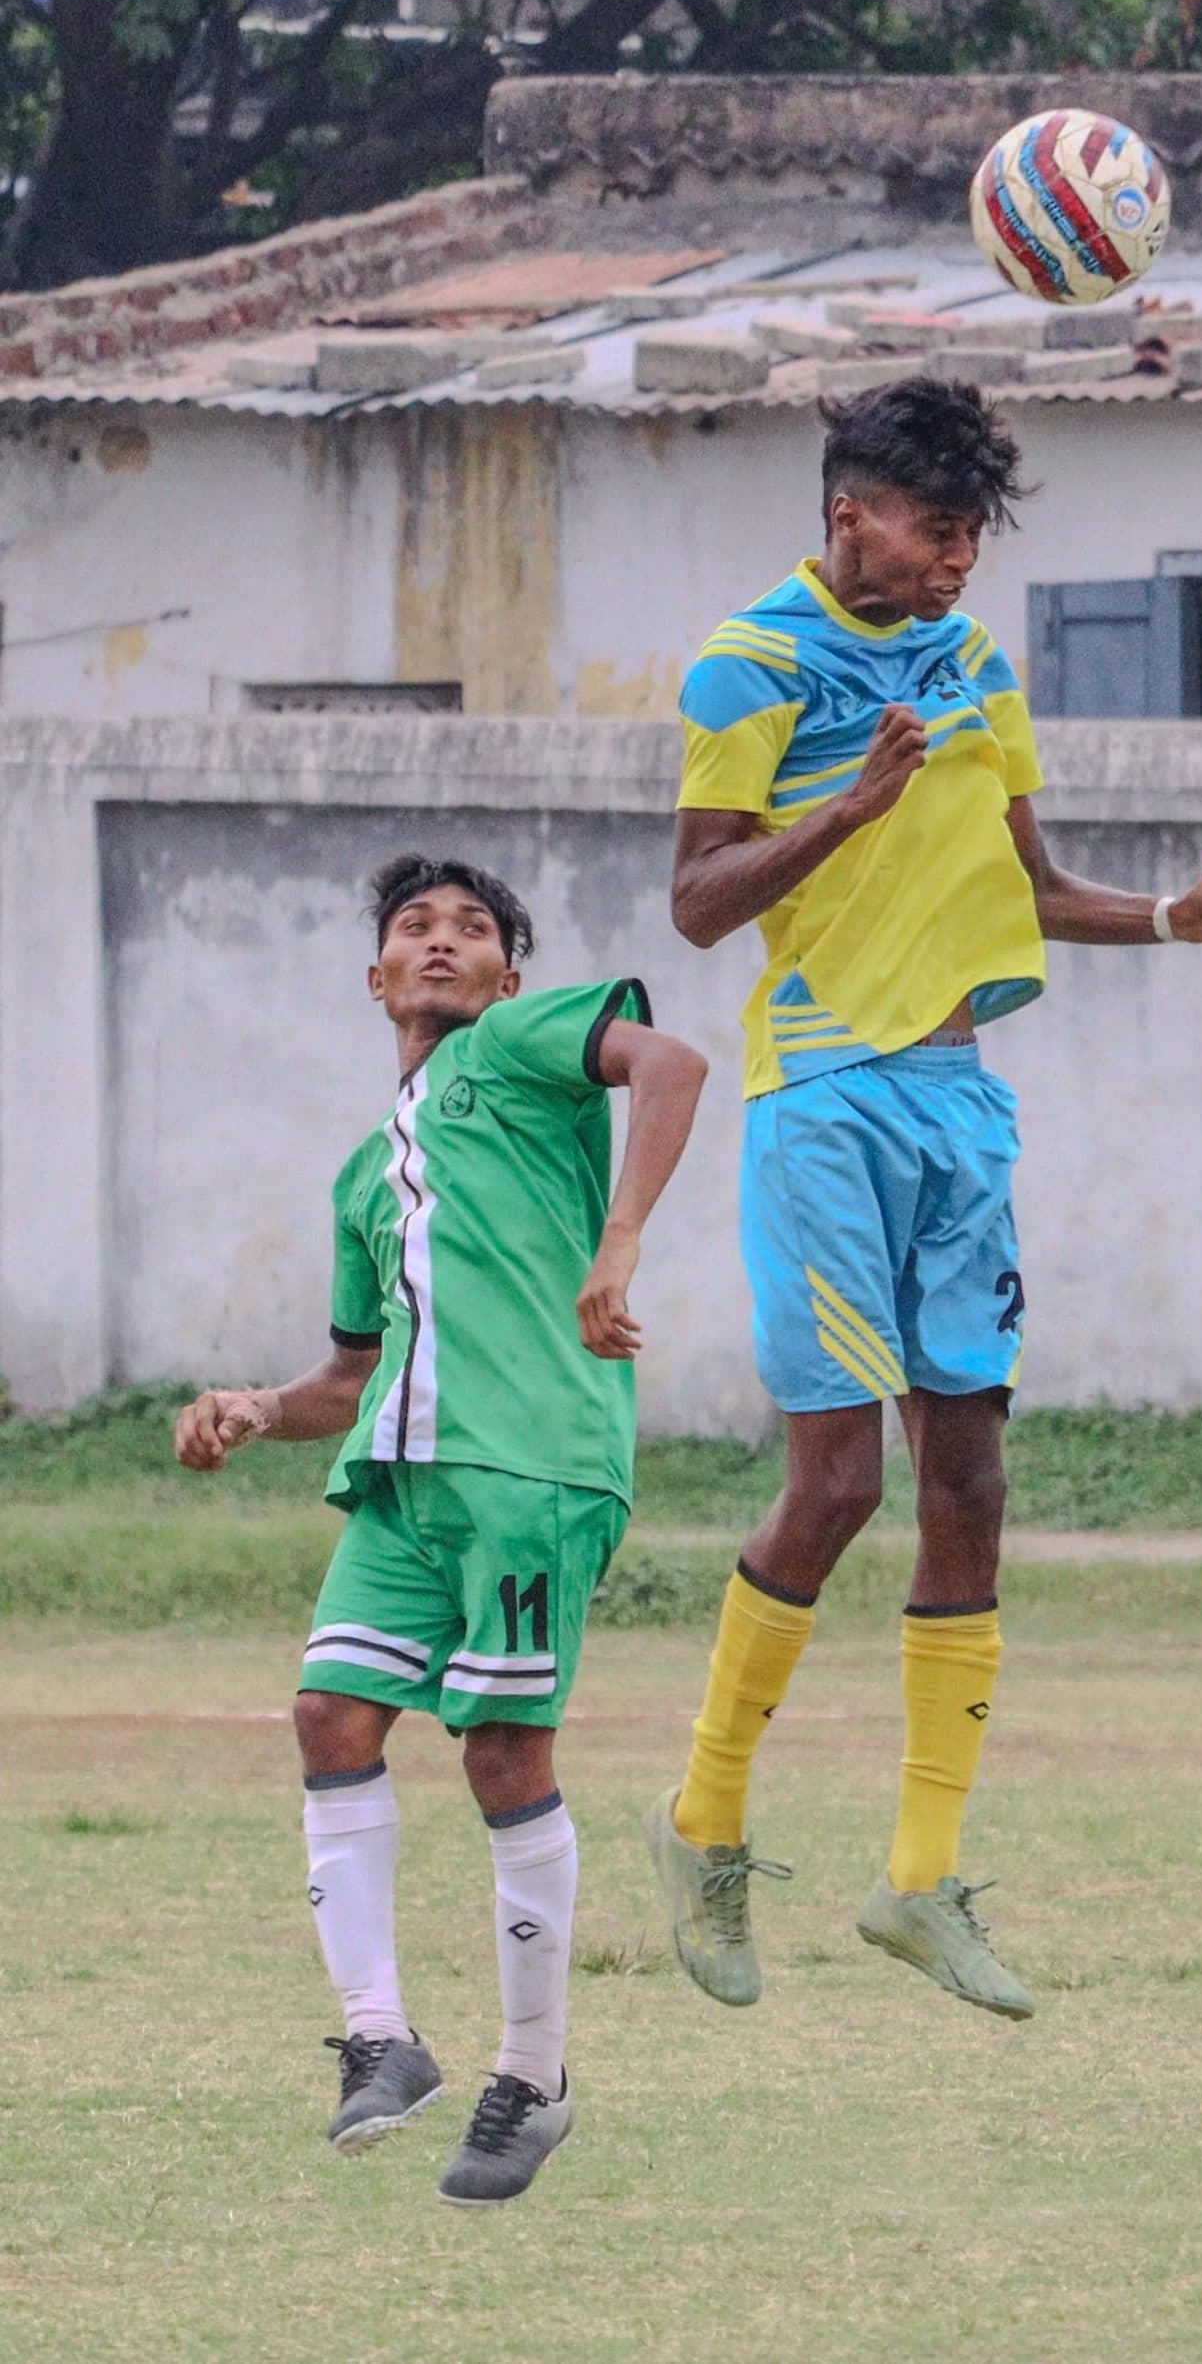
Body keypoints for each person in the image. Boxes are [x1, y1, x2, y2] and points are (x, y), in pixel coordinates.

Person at [646, 375, 1202, 2019]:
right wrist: (844, 809)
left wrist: (1173, 916)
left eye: (972, 539)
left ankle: (920, 1880)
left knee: (974, 1480)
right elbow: (700, 902)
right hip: (824, 1104)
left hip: (958, 1109)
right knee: (840, 1480)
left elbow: (1031, 884)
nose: (957, 565)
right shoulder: (752, 664)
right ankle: (704, 1818)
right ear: (851, 511)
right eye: (939, 533)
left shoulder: (979, 667)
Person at [173, 854, 707, 2203]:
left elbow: (676, 1063)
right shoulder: (368, 1169)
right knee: (329, 1718)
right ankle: (380, 2039)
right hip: (402, 1479)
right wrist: (250, 1405)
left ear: (509, 979)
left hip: (531, 1464)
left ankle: (534, 2070)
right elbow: (349, 1376)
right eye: (415, 926)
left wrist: (621, 1237)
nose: (441, 942)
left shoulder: (524, 1045)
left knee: (501, 1749)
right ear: (376, 975)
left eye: (473, 929)